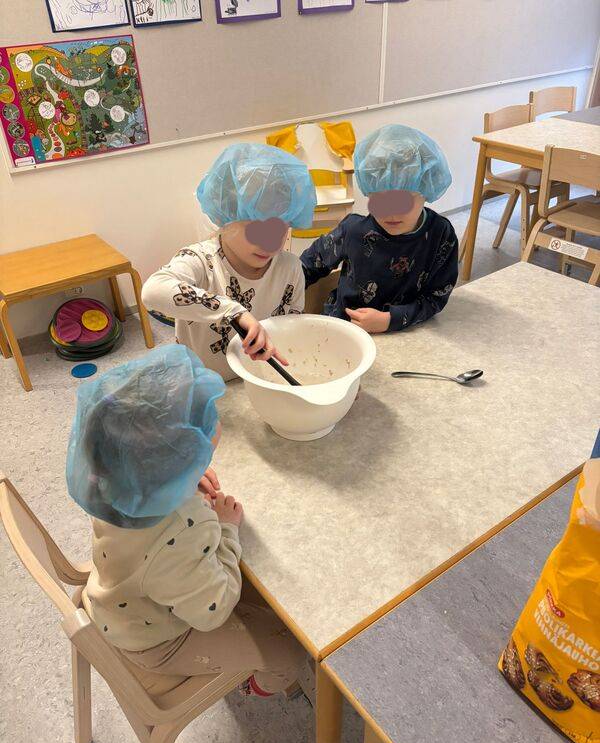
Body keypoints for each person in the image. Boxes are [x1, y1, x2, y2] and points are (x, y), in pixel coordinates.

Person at [67, 344, 306, 696]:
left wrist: (183, 478)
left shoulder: (113, 485)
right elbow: (215, 608)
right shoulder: (184, 532)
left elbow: (145, 478)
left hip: (118, 602)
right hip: (158, 642)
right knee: (288, 647)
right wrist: (227, 529)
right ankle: (256, 685)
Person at [141, 143, 317, 381]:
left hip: (260, 381)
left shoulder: (290, 268)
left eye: (278, 230)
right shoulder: (200, 261)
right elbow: (153, 291)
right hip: (204, 385)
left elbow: (291, 331)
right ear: (225, 221)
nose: (269, 243)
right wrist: (233, 312)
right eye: (257, 231)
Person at [301, 124, 458, 333]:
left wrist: (390, 319)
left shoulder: (441, 235)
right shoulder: (353, 230)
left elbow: (437, 296)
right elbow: (306, 266)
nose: (391, 212)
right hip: (343, 329)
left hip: (405, 333)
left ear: (426, 190)